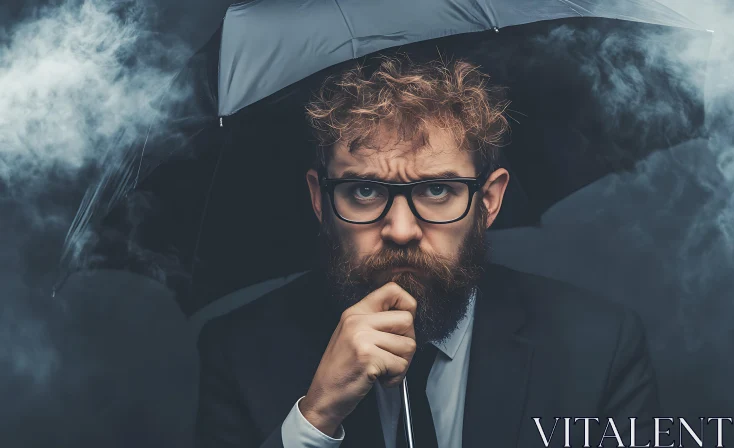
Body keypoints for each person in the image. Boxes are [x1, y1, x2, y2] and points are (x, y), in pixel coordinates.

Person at [194, 55, 660, 448]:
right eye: (363, 191)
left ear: (490, 200)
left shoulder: (599, 346)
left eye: (437, 190)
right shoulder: (239, 351)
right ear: (320, 199)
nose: (400, 230)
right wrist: (316, 416)